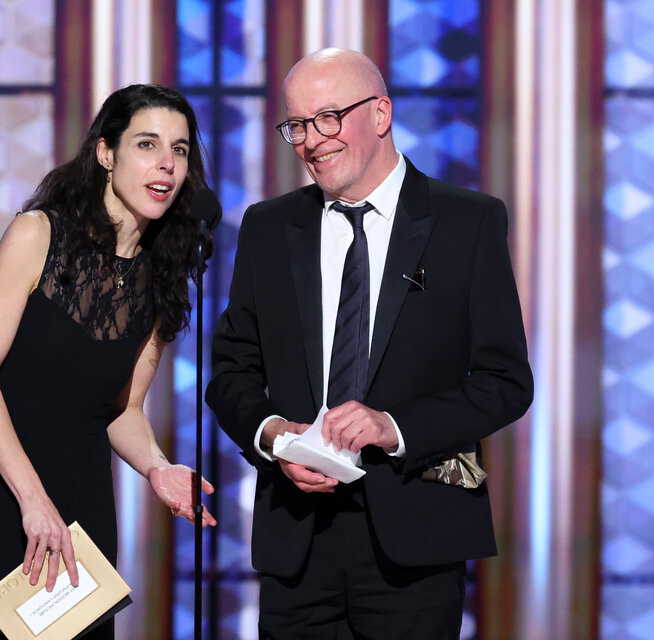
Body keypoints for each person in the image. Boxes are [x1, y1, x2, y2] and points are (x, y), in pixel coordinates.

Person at [206, 49, 533, 639]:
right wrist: (275, 436)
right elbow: (231, 372)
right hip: (297, 540)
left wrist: (394, 426)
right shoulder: (269, 227)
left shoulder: (468, 222)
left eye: (328, 117)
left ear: (381, 113)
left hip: (416, 540)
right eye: (298, 125)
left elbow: (504, 383)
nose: (312, 140)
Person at [0, 84, 216, 639]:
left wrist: (158, 467)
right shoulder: (38, 234)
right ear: (106, 153)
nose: (166, 162)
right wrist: (32, 498)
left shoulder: (161, 278)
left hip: (76, 503)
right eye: (147, 144)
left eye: (179, 150)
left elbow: (123, 410)